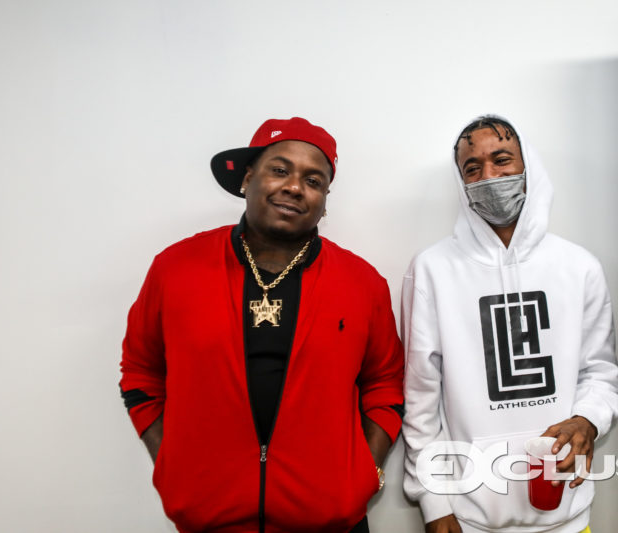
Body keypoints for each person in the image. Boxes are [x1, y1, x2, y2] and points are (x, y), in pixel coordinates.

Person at [119, 117, 404, 533]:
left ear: (325, 199)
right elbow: (141, 372)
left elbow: (386, 383)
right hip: (210, 521)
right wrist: (172, 465)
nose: (294, 187)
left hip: (331, 523)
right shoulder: (175, 269)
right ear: (248, 178)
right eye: (280, 170)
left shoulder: (363, 284)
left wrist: (364, 473)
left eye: (314, 180)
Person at [402, 115, 618, 533]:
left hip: (568, 515)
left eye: (502, 160)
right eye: (472, 168)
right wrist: (433, 499)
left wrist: (588, 419)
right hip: (471, 518)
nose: (488, 176)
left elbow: (601, 373)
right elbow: (420, 395)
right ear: (461, 182)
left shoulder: (579, 267)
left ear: (528, 167)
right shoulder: (433, 269)